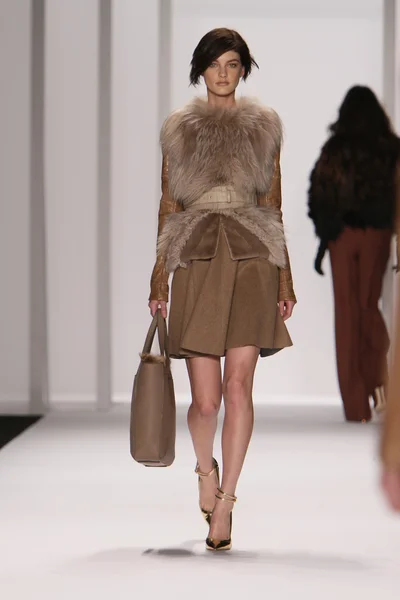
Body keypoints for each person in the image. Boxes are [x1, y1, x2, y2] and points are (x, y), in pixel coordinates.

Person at [148, 28, 296, 551]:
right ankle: (204, 469)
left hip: (254, 258)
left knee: (238, 390)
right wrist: (158, 278)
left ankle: (226, 504)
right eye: (215, 63)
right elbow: (169, 204)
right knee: (206, 402)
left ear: (243, 69)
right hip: (197, 259)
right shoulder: (179, 130)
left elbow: (274, 202)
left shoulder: (264, 128)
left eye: (233, 64)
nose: (224, 73)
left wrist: (285, 277)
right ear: (200, 69)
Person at [308, 86, 400, 423]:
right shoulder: (390, 149)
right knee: (367, 308)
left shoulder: (335, 149)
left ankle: (356, 407)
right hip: (376, 233)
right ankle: (379, 380)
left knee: (347, 316)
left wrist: (325, 232)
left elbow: (318, 190)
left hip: (343, 236)